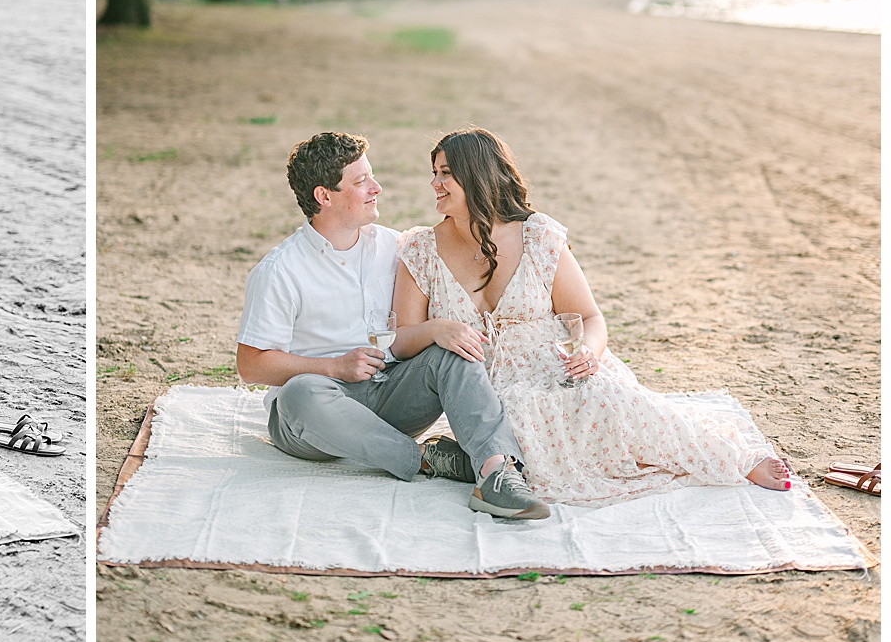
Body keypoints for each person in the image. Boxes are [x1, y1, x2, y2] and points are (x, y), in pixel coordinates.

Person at [392, 126, 792, 506]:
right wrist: (436, 329)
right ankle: (473, 461)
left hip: (557, 364)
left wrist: (590, 353)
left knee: (609, 400)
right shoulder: (422, 249)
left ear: (477, 176)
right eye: (434, 173)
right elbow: (402, 340)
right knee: (516, 430)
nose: (435, 184)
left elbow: (589, 317)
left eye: (446, 174)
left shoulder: (538, 236)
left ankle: (734, 459)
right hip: (483, 385)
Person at [235, 131, 550, 519]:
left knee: (450, 352)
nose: (376, 187)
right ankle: (425, 459)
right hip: (320, 413)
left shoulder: (396, 246)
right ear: (324, 196)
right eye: (361, 181)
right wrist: (333, 367)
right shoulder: (280, 270)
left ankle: (497, 474)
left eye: (372, 175)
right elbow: (251, 364)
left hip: (392, 391)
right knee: (301, 392)